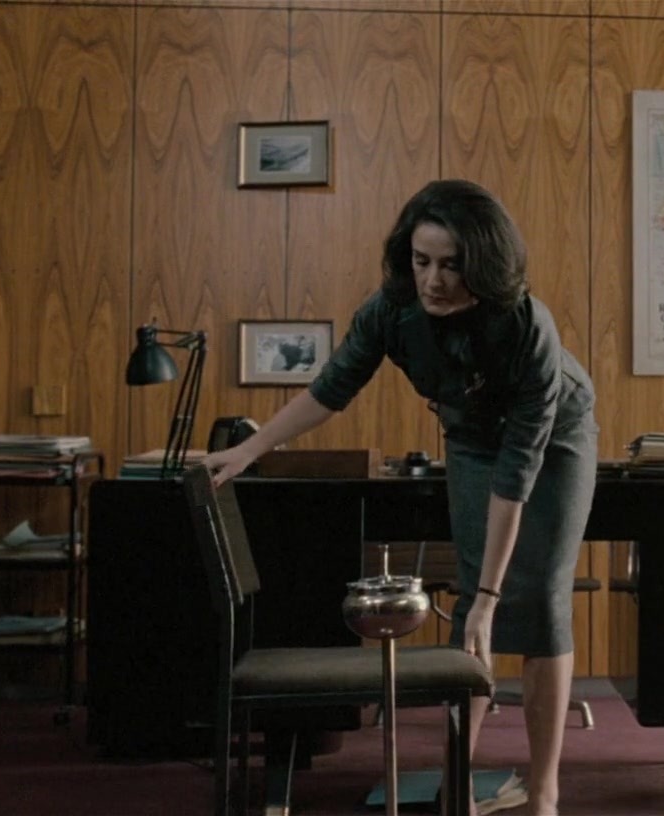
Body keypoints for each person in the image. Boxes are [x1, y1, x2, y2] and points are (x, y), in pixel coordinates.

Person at [202, 179, 597, 816]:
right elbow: (330, 389)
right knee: (470, 601)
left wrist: (493, 597)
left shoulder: (528, 327)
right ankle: (457, 783)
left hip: (555, 439)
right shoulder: (391, 310)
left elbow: (518, 469)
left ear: (484, 265)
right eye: (421, 261)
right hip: (469, 436)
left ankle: (544, 791)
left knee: (543, 595)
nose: (433, 281)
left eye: (451, 265)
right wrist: (250, 449)